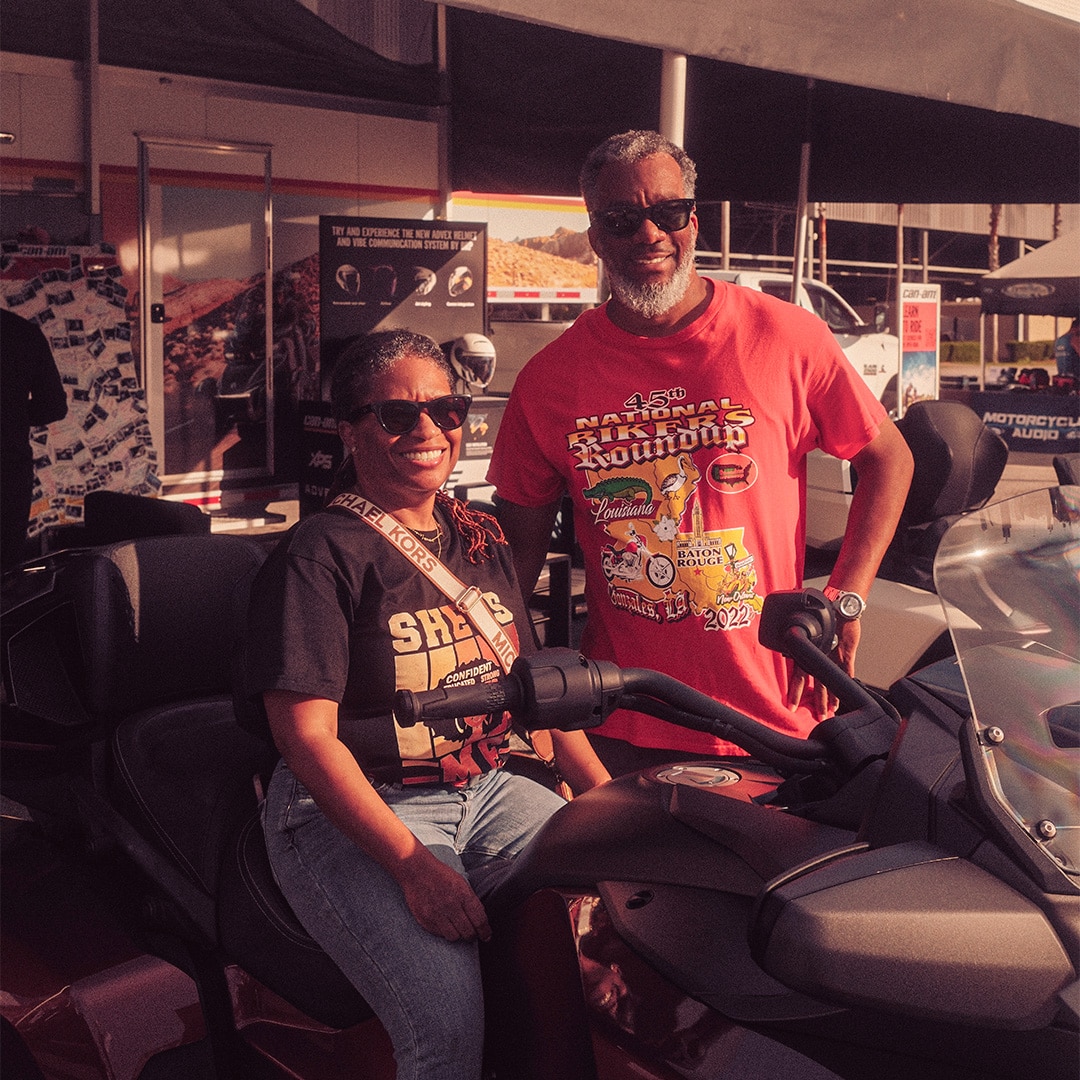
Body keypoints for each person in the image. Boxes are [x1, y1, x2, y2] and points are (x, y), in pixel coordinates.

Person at [487, 130, 914, 777]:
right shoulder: (551, 379)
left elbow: (889, 457)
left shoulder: (784, 335)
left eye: (669, 212)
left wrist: (846, 596)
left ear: (695, 218)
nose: (649, 234)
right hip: (625, 720)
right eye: (623, 219)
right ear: (596, 235)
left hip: (777, 722)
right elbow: (511, 560)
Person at [242, 328, 609, 1080]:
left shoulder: (479, 535)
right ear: (349, 430)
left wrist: (611, 804)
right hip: (363, 809)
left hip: (491, 784)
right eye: (395, 415)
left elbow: (532, 680)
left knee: (619, 926)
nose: (428, 431)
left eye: (446, 410)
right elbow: (304, 736)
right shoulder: (322, 552)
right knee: (445, 1036)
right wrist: (413, 867)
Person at [0, 308, 68, 572]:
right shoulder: (23, 332)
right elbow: (54, 407)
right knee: (5, 572)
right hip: (8, 470)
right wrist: (12, 414)